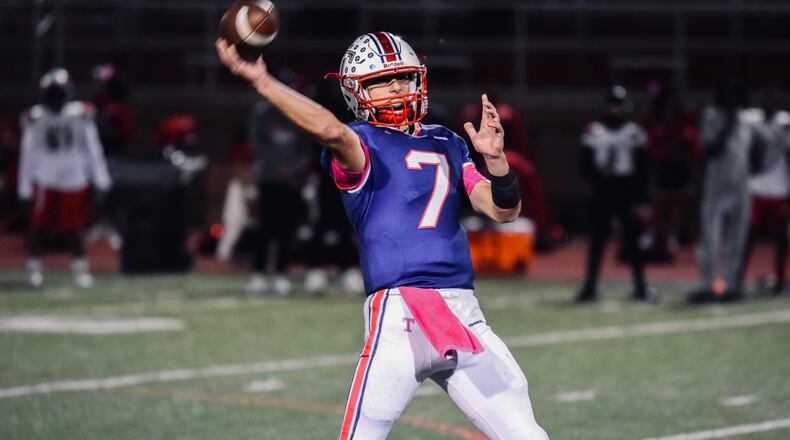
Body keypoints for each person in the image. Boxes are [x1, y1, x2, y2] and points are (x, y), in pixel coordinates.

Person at [216, 32, 548, 439]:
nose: (395, 88)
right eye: (380, 81)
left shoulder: (448, 142)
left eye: (402, 77)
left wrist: (496, 162)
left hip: (464, 316)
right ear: (357, 92)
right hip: (399, 314)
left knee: (528, 435)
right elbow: (332, 131)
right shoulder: (361, 142)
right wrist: (262, 81)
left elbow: (502, 209)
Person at [18, 68, 112, 288]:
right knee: (38, 227)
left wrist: (100, 179)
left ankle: (80, 267)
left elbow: (92, 148)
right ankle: (33, 267)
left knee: (74, 227)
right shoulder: (35, 117)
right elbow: (28, 152)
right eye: (52, 93)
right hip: (46, 178)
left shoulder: (80, 114)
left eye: (58, 93)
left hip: (74, 178)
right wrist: (25, 186)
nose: (55, 98)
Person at [687, 81, 766, 304]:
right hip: (716, 185)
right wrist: (728, 126)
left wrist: (757, 163)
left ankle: (732, 285)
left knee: (737, 238)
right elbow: (710, 150)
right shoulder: (711, 117)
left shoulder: (749, 119)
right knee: (710, 239)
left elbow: (760, 146)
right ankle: (707, 285)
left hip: (741, 184)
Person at [577, 85, 652, 303]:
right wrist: (598, 174)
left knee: (633, 239)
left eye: (618, 105)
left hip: (626, 189)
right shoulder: (594, 131)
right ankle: (590, 286)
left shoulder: (635, 133)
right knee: (598, 240)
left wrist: (641, 197)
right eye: (612, 104)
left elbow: (643, 169)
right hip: (602, 189)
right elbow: (583, 166)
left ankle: (640, 286)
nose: (614, 109)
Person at [741, 107, 790, 295]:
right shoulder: (763, 135)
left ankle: (779, 278)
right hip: (759, 190)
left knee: (780, 238)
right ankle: (738, 277)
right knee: (750, 235)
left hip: (779, 192)